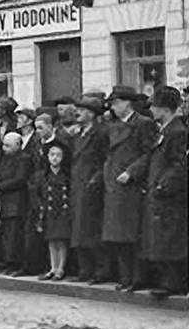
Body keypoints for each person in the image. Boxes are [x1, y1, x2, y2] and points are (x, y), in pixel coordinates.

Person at [102, 85, 157, 292]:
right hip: (115, 187)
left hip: (132, 187)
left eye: (116, 103)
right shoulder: (113, 126)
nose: (113, 108)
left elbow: (149, 153)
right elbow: (109, 155)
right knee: (119, 238)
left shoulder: (143, 124)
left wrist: (132, 171)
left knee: (133, 236)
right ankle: (125, 278)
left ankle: (137, 278)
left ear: (127, 103)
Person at [141, 86, 187, 298]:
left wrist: (163, 185)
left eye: (154, 106)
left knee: (171, 238)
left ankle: (174, 283)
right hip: (160, 194)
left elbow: (178, 165)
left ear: (165, 109)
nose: (151, 109)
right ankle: (168, 281)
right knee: (163, 237)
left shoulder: (177, 132)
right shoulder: (165, 131)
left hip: (170, 196)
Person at [69, 96, 109, 283]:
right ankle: (84, 269)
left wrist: (96, 180)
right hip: (77, 185)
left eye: (83, 110)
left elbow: (105, 160)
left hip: (92, 186)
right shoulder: (78, 134)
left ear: (92, 114)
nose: (79, 113)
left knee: (92, 230)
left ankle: (100, 271)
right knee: (78, 231)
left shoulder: (100, 133)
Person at [0, 132, 32, 276]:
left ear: (18, 145)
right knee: (7, 235)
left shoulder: (24, 159)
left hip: (17, 202)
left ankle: (17, 263)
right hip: (4, 201)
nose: (4, 148)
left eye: (8, 146)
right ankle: (8, 261)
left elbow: (20, 179)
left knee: (15, 235)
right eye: (4, 145)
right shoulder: (5, 159)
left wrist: (0, 186)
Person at [33, 141, 71, 281]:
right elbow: (36, 194)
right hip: (48, 211)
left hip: (63, 210)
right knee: (51, 241)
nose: (55, 158)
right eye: (52, 155)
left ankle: (61, 268)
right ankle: (52, 268)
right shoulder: (42, 175)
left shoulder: (67, 175)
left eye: (58, 155)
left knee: (61, 240)